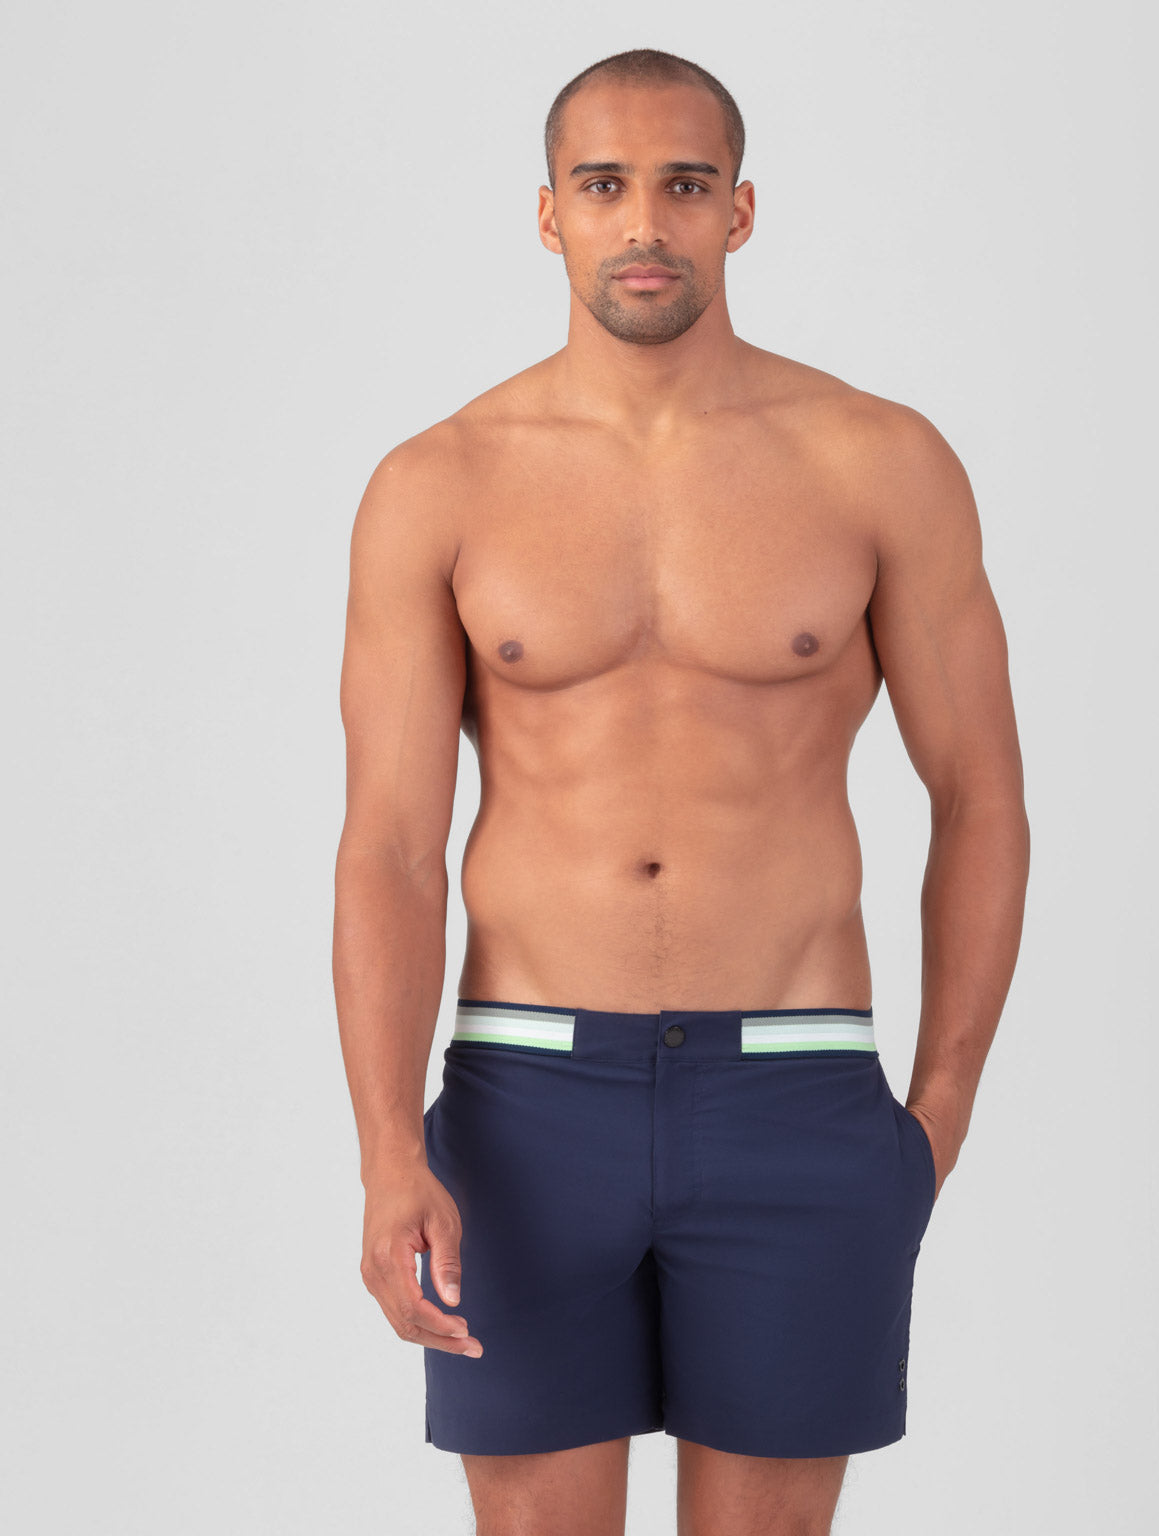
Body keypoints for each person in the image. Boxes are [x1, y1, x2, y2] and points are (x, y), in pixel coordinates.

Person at [333, 46, 1031, 1536]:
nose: (644, 221)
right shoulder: (438, 482)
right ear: (549, 214)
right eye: (604, 185)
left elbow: (981, 796)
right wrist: (388, 1145)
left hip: (798, 1091)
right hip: (525, 1106)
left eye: (684, 185)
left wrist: (938, 1117)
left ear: (740, 211)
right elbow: (389, 846)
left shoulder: (878, 463)